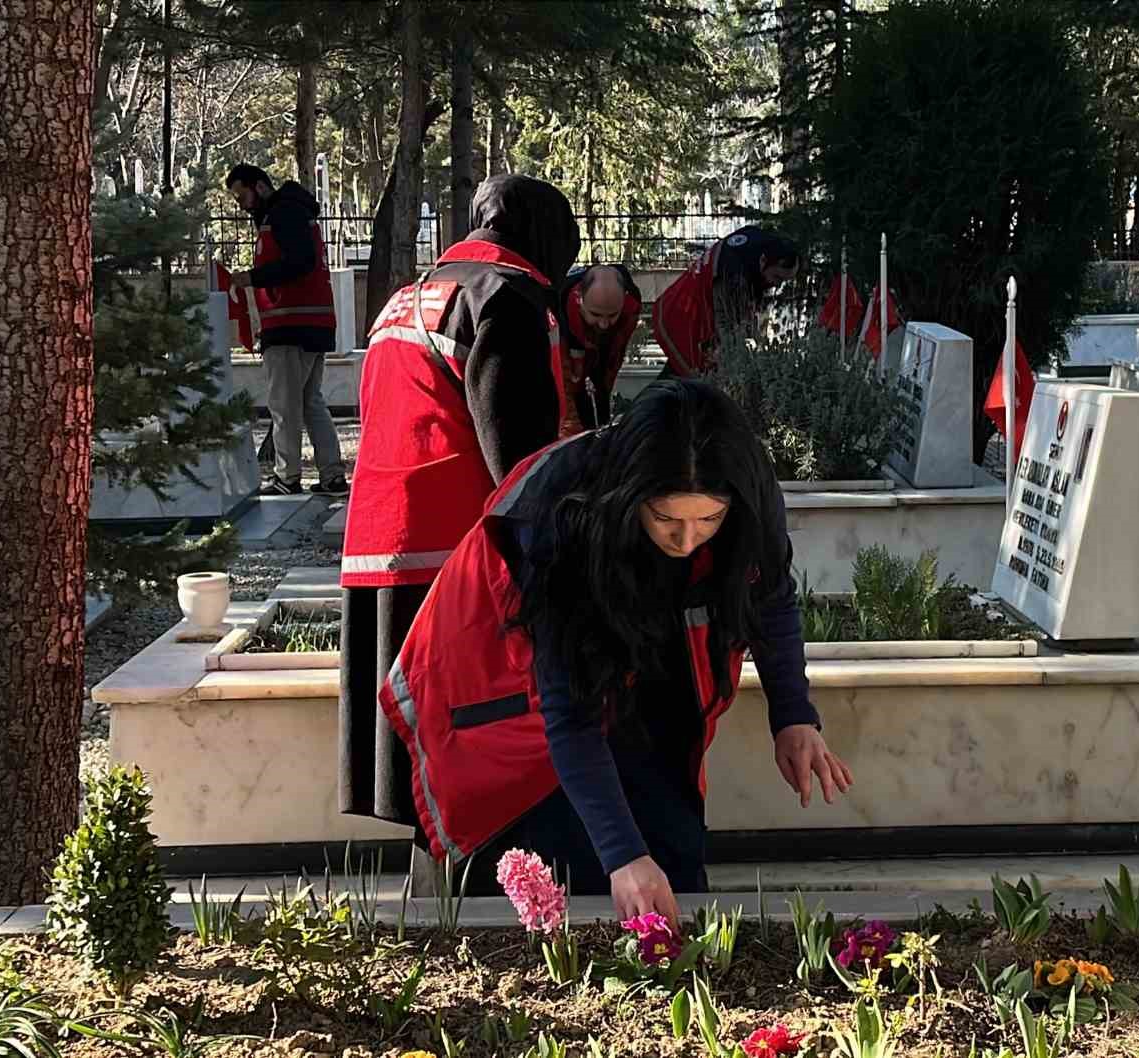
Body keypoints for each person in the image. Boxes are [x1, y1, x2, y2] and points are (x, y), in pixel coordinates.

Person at [380, 380, 854, 922]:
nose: (686, 541)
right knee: (569, 874)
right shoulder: (560, 516)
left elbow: (768, 594)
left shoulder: (747, 486)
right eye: (666, 519)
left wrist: (793, 715)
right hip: (503, 691)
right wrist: (623, 855)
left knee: (671, 845)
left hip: (639, 661)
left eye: (709, 520)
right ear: (631, 497)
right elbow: (569, 712)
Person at [338, 174, 580, 832]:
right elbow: (519, 455)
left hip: (382, 541)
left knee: (420, 751)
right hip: (461, 549)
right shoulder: (506, 296)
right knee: (473, 743)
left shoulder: (408, 296)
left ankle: (437, 896)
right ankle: (481, 897)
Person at [224, 164, 348, 496]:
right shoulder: (294, 213)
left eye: (242, 195)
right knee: (310, 402)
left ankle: (287, 476)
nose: (241, 204)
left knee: (284, 405)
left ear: (260, 187)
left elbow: (299, 262)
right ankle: (332, 475)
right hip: (312, 323)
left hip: (290, 326)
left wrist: (252, 277)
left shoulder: (283, 215)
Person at [652, 226, 800, 378]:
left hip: (693, 309)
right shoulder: (734, 277)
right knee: (691, 375)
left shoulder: (762, 245)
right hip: (682, 314)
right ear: (763, 261)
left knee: (687, 373)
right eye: (777, 277)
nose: (778, 285)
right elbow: (726, 327)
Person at [557, 263, 643, 430]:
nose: (604, 324)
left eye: (612, 315)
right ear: (578, 297)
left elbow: (614, 360)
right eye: (595, 314)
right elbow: (563, 385)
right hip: (565, 368)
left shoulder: (631, 305)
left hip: (599, 362)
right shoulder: (558, 311)